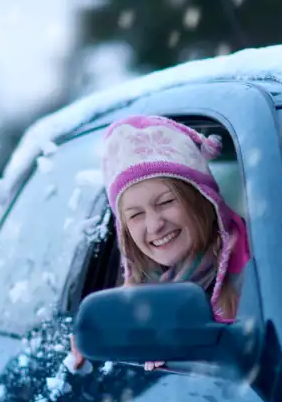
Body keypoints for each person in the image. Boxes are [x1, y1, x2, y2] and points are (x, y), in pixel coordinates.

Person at [69, 114, 251, 372]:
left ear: (203, 200)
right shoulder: (139, 300)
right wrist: (98, 339)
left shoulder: (260, 266)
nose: (154, 225)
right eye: (135, 215)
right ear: (125, 231)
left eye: (166, 202)